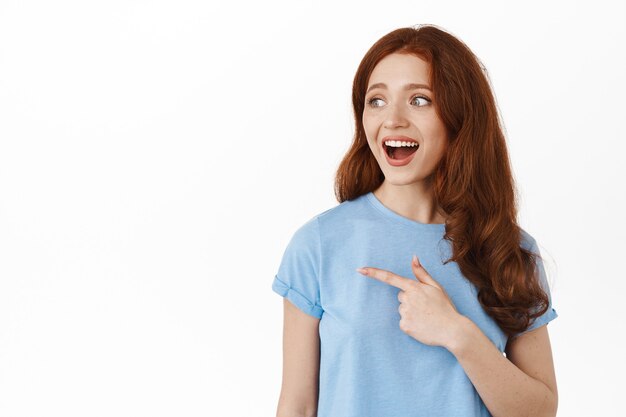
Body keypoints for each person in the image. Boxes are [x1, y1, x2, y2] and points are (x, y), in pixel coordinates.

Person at [272, 24, 558, 417]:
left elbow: (540, 411)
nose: (392, 120)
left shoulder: (508, 248)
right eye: (376, 101)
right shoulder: (319, 244)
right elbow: (298, 406)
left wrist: (458, 333)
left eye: (419, 100)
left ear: (459, 116)